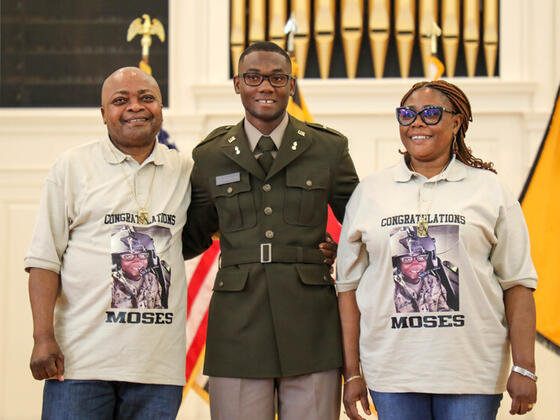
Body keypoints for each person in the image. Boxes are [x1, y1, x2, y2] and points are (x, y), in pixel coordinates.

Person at [336, 80, 538, 420]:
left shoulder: (490, 191)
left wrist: (525, 366)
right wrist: (352, 371)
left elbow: (517, 284)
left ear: (456, 122)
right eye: (407, 114)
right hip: (392, 373)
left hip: (472, 373)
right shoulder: (370, 192)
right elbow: (348, 289)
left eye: (430, 114)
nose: (416, 122)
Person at [182, 41, 359, 420]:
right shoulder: (210, 155)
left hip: (310, 319)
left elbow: (363, 225)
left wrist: (340, 250)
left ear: (291, 85)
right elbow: (191, 236)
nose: (266, 86)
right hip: (238, 323)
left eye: (278, 78)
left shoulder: (328, 148)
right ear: (237, 84)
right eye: (254, 77)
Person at [25, 67, 191, 419]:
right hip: (80, 364)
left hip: (158, 368)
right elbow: (43, 260)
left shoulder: (185, 171)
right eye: (120, 100)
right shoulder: (73, 167)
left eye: (147, 98)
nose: (135, 107)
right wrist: (42, 338)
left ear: (161, 107)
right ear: (103, 114)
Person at [111, 226, 171, 309]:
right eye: (128, 256)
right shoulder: (111, 284)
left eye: (142, 255)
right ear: (117, 261)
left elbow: (158, 306)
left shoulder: (151, 279)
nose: (137, 261)